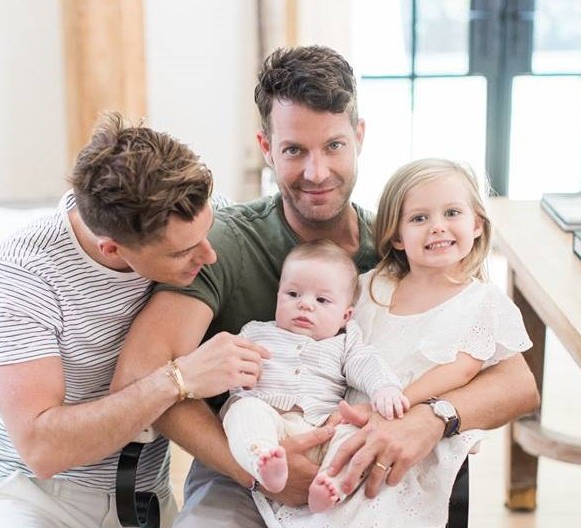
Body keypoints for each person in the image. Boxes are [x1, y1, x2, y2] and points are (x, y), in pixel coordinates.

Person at [111, 45, 540, 528]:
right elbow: (142, 374)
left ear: (359, 137)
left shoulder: (402, 249)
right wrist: (253, 471)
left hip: (356, 466)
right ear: (266, 147)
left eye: (333, 146)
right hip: (240, 465)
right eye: (294, 150)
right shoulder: (224, 245)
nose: (316, 173)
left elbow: (516, 383)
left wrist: (430, 417)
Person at [0, 112, 269, 528]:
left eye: (208, 233)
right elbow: (42, 449)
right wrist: (178, 379)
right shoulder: (23, 272)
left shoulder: (189, 224)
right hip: (31, 497)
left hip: (146, 500)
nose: (209, 256)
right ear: (112, 249)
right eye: (183, 252)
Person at [255, 158, 533, 527]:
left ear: (477, 224)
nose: (437, 227)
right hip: (342, 423)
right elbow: (335, 344)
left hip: (410, 439)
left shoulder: (481, 302)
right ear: (398, 236)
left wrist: (394, 406)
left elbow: (463, 369)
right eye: (419, 218)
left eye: (452, 213)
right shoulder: (372, 287)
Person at [221, 241, 408, 512]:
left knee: (353, 436)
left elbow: (366, 361)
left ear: (345, 316)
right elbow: (226, 363)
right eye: (293, 294)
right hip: (268, 419)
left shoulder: (345, 341)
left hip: (320, 429)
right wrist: (235, 375)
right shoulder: (255, 332)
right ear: (278, 296)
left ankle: (329, 487)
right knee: (243, 411)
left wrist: (384, 387)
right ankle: (262, 459)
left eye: (322, 300)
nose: (305, 305)